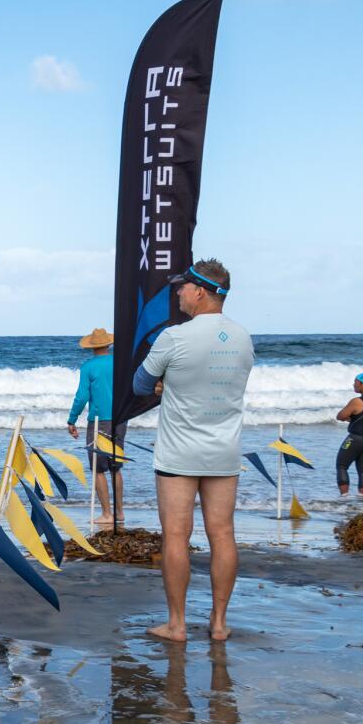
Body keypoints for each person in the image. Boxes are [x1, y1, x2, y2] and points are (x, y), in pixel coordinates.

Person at [132, 260, 254, 642]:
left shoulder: (173, 337)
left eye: (182, 288)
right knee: (222, 535)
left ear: (200, 291)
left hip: (179, 453)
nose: (178, 293)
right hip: (224, 451)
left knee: (175, 536)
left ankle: (177, 624)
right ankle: (218, 624)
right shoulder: (242, 337)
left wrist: (164, 383)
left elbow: (139, 384)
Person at [67, 328, 125, 525]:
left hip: (99, 421)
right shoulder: (119, 364)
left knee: (98, 469)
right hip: (120, 418)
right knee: (115, 467)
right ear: (108, 344)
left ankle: (107, 514)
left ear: (92, 347)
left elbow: (82, 396)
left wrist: (72, 419)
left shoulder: (88, 367)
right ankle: (119, 512)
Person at [335, 372, 363, 496]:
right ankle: (362, 499)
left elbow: (340, 416)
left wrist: (350, 418)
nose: (354, 385)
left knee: (342, 466)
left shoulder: (357, 401)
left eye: (356, 382)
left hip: (355, 439)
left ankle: (344, 498)